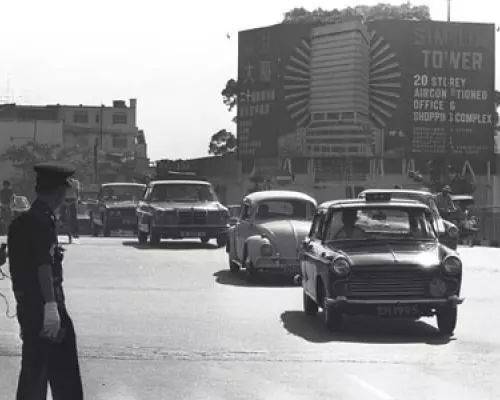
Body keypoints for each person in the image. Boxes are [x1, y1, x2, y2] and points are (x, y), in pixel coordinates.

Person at [7, 162, 83, 400]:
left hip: (28, 306)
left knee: (35, 371)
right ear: (58, 192)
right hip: (45, 307)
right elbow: (43, 266)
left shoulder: (21, 221)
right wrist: (51, 306)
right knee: (63, 373)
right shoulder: (42, 222)